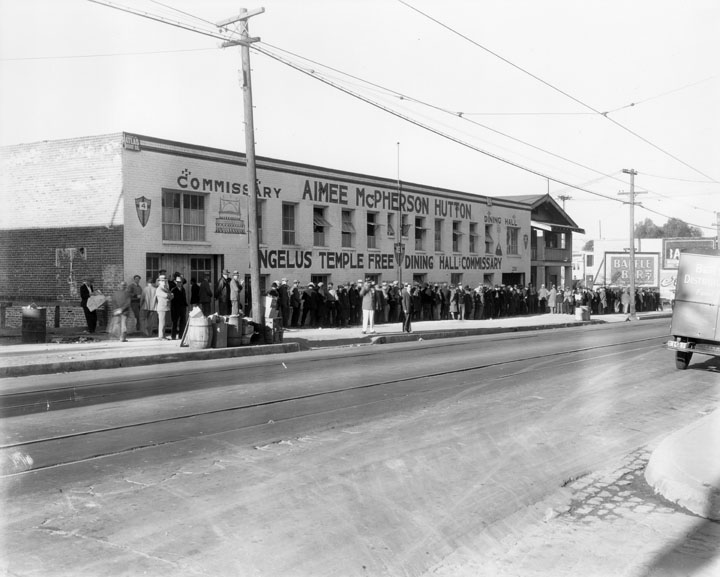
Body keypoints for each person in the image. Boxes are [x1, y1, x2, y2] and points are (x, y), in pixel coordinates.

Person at [170, 274, 188, 340]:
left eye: (180, 282)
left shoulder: (183, 289)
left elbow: (184, 298)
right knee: (174, 322)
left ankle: (181, 336)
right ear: (176, 283)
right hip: (175, 308)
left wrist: (185, 306)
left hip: (182, 308)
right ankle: (173, 336)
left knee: (182, 322)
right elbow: (172, 300)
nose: (179, 284)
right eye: (178, 282)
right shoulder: (173, 290)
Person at [154, 274, 171, 340]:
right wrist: (169, 295)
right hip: (162, 308)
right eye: (162, 281)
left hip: (165, 307)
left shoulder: (165, 288)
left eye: (165, 281)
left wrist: (170, 295)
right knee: (162, 322)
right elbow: (167, 295)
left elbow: (171, 296)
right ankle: (161, 336)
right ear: (159, 282)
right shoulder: (159, 289)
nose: (164, 282)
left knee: (164, 322)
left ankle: (163, 335)